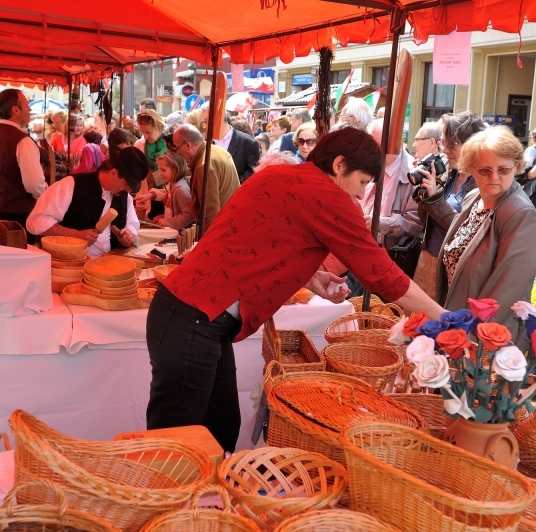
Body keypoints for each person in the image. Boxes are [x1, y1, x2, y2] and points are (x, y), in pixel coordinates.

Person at [145, 127, 448, 451]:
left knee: (219, 429)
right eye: (361, 183)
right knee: (176, 448)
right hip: (193, 317)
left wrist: (312, 277)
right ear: (339, 165)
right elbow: (382, 274)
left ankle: (203, 500)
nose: (360, 195)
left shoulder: (280, 176)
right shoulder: (327, 195)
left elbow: (258, 243)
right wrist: (444, 315)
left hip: (190, 315)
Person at [435, 126, 536, 329]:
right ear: (471, 168)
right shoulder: (472, 198)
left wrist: (468, 335)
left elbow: (506, 291)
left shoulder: (520, 214)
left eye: (503, 169)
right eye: (485, 170)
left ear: (517, 166)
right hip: (457, 322)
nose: (494, 177)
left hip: (484, 337)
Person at [412, 111, 486, 299]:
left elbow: (465, 229)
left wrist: (435, 198)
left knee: (441, 323)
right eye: (443, 143)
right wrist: (424, 195)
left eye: (451, 144)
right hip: (427, 258)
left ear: (472, 144)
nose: (444, 150)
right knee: (415, 322)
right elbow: (424, 220)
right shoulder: (447, 172)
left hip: (452, 268)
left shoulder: (483, 182)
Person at [26, 147, 149, 258]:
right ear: (113, 173)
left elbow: (132, 225)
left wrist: (129, 235)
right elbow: (35, 222)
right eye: (127, 184)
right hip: (69, 266)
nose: (129, 190)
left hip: (108, 267)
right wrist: (75, 235)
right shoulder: (71, 185)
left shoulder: (124, 197)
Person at [0, 89, 46, 235]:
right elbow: (35, 185)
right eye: (27, 105)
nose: (30, 109)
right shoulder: (23, 141)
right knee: (18, 254)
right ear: (15, 110)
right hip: (18, 215)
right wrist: (46, 194)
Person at [359, 118, 421, 251]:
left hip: (388, 251)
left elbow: (415, 223)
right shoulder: (367, 163)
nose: (370, 148)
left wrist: (380, 222)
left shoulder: (413, 174)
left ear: (396, 142)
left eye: (375, 143)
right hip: (361, 244)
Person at [172, 124, 239, 231]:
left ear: (188, 145)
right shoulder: (218, 150)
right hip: (231, 220)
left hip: (220, 228)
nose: (178, 152)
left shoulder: (204, 165)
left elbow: (210, 211)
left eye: (177, 148)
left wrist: (209, 239)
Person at [141, 152, 193, 230]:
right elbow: (173, 211)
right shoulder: (173, 185)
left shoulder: (180, 189)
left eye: (163, 170)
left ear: (175, 169)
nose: (160, 174)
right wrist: (163, 217)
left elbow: (189, 215)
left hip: (180, 234)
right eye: (159, 170)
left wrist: (167, 222)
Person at [208, 112, 261, 183]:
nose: (204, 126)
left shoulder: (248, 142)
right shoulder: (207, 141)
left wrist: (233, 185)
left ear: (218, 120)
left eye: (205, 121)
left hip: (237, 191)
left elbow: (253, 170)